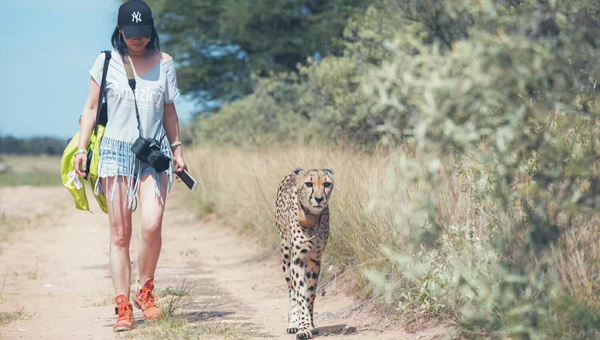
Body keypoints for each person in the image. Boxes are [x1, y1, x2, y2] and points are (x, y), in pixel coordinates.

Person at [73, 0, 186, 332]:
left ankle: (145, 291)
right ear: (120, 31)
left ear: (151, 30)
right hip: (115, 153)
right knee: (120, 234)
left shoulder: (165, 64)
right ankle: (123, 305)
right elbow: (92, 109)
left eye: (143, 33)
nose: (138, 39)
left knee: (152, 225)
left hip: (153, 154)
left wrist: (177, 150)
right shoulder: (105, 62)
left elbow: (169, 112)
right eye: (131, 33)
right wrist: (82, 150)